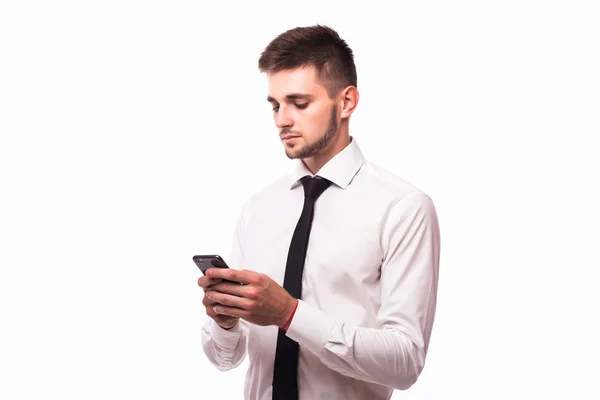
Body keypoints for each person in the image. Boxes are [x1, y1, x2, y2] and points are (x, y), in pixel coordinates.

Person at [198, 24, 441, 400]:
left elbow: (405, 362)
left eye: (299, 103)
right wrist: (226, 324)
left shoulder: (403, 208)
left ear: (346, 103)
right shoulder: (259, 208)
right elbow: (225, 360)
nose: (281, 120)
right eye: (275, 105)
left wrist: (290, 315)